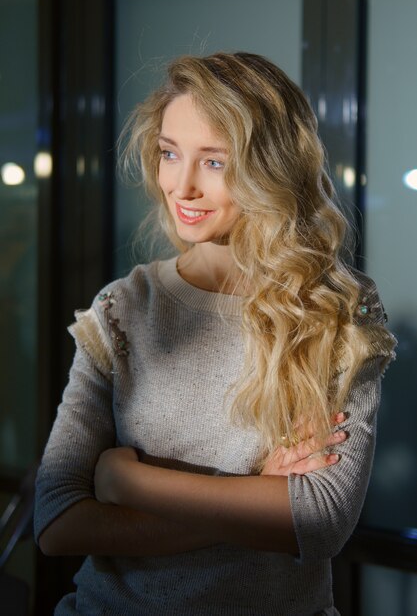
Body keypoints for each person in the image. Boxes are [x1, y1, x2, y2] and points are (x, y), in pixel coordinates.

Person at [34, 52, 396, 615]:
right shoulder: (122, 308)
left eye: (215, 162)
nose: (182, 186)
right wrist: (257, 495)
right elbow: (56, 521)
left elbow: (320, 521)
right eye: (169, 153)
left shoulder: (338, 310)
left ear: (269, 168)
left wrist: (129, 485)